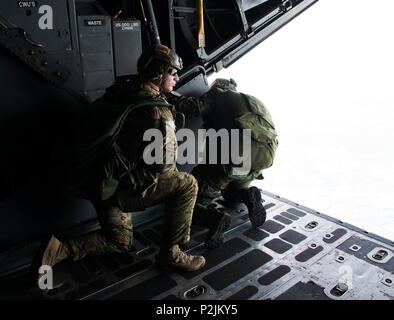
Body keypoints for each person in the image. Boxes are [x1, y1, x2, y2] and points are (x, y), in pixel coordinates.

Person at [31, 45, 206, 284]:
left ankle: (57, 250)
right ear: (157, 72)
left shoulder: (120, 91)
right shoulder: (158, 112)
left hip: (96, 177)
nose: (176, 77)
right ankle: (171, 254)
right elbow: (163, 170)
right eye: (172, 71)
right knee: (187, 184)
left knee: (120, 241)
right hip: (116, 184)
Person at [167, 78, 278, 247]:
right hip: (259, 160)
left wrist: (170, 96)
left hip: (231, 159)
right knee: (230, 191)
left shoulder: (218, 94)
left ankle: (214, 219)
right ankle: (247, 195)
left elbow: (196, 107)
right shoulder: (250, 101)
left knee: (189, 200)